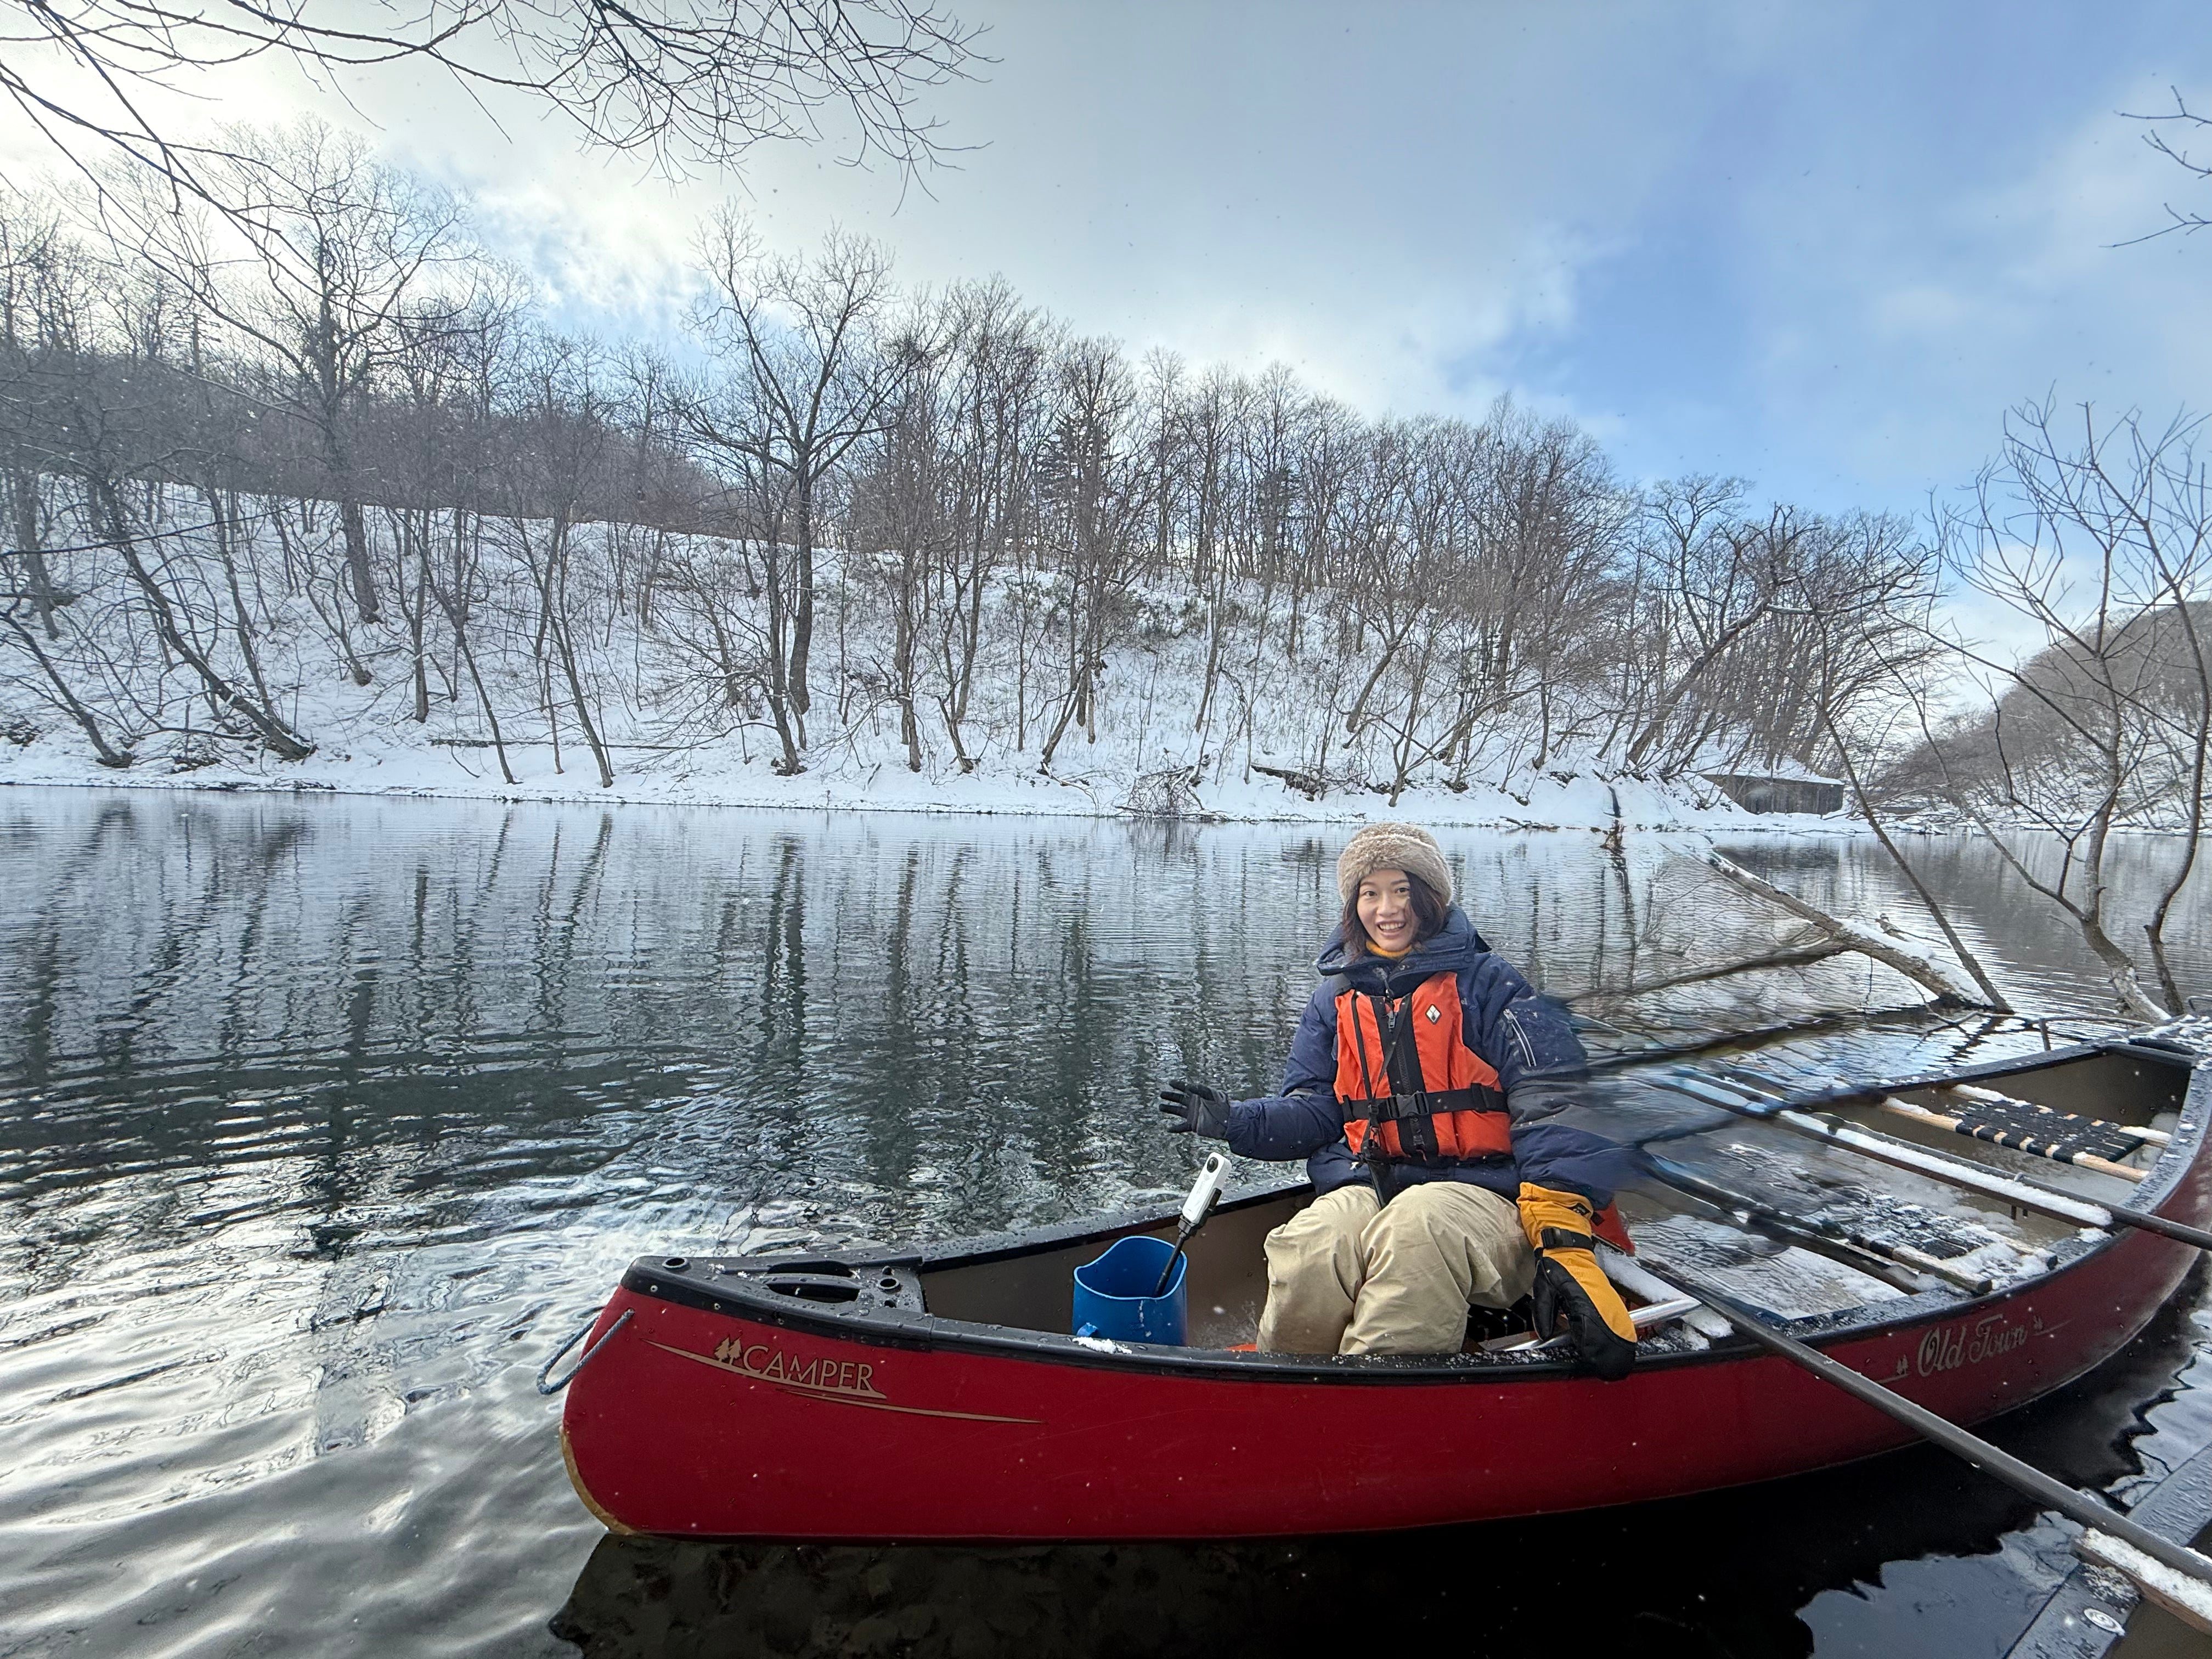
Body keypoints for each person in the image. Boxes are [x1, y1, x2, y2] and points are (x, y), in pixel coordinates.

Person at [1154, 822, 1637, 1378]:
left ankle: (1374, 1404)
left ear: (1430, 898)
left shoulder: (1491, 987)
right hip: (1376, 1184)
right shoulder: (1332, 1001)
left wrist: (1563, 1240)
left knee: (1416, 1229)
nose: (1388, 909)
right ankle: (1283, 1386)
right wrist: (1236, 1120)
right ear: (1354, 904)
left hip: (1492, 1198)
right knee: (1315, 1240)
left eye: (1402, 890)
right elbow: (1315, 1112)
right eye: (1371, 892)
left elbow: (1559, 1106)